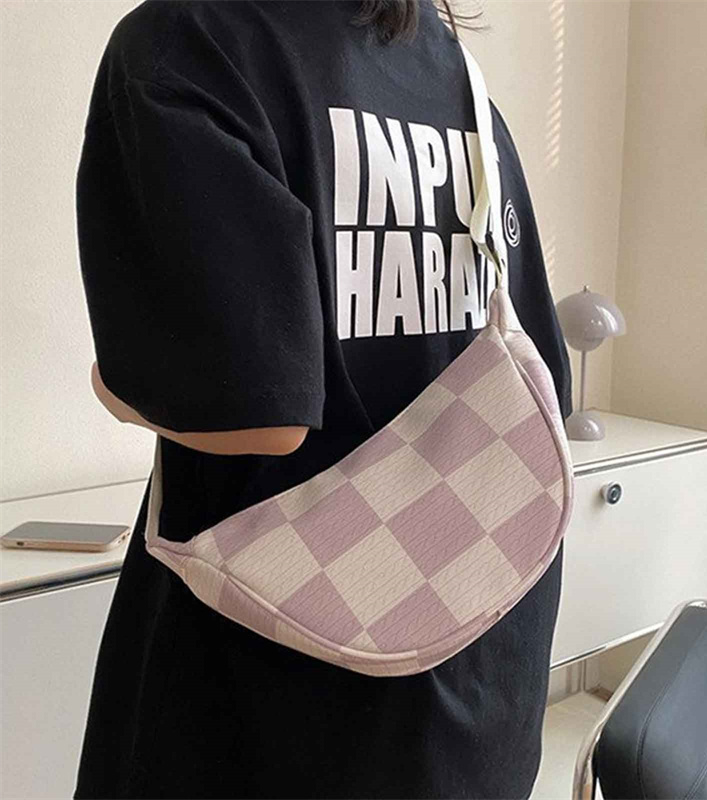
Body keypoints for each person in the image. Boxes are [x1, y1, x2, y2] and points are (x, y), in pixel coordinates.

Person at [73, 1, 573, 798]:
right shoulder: (455, 77)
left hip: (266, 707)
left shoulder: (188, 43)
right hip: (475, 701)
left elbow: (252, 415)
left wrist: (114, 392)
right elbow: (543, 374)